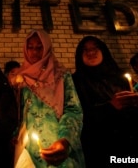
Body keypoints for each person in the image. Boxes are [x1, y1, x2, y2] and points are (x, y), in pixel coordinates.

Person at [72, 36, 138, 168]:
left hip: (131, 146)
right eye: (85, 50)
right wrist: (109, 107)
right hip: (99, 150)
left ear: (104, 51)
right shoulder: (75, 81)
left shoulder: (121, 78)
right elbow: (76, 116)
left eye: (95, 48)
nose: (91, 53)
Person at [14, 29, 85, 168]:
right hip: (28, 149)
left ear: (47, 48)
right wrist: (15, 133)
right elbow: (20, 113)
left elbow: (73, 110)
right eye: (31, 47)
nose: (34, 52)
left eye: (39, 47)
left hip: (58, 147)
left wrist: (65, 140)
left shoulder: (61, 75)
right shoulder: (20, 78)